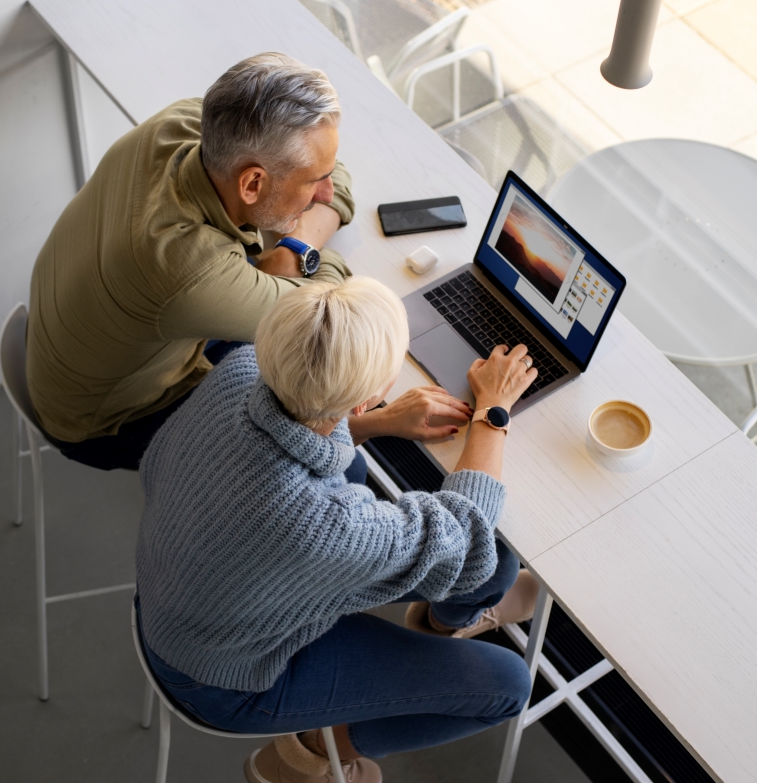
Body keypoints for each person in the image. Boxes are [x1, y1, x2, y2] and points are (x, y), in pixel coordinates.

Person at [136, 276, 541, 783]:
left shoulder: (240, 369)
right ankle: (304, 755)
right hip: (221, 677)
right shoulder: (319, 522)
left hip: (183, 591)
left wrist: (379, 422)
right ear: (362, 398)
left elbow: (284, 425)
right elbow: (463, 530)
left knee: (495, 565)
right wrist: (492, 412)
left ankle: (440, 624)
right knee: (508, 683)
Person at [26, 52, 449, 471]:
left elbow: (339, 179)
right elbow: (327, 308)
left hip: (63, 348)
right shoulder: (188, 273)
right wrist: (300, 249)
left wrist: (292, 248)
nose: (323, 193)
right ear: (251, 183)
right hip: (105, 423)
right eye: (311, 182)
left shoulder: (184, 124)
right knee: (323, 405)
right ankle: (364, 431)